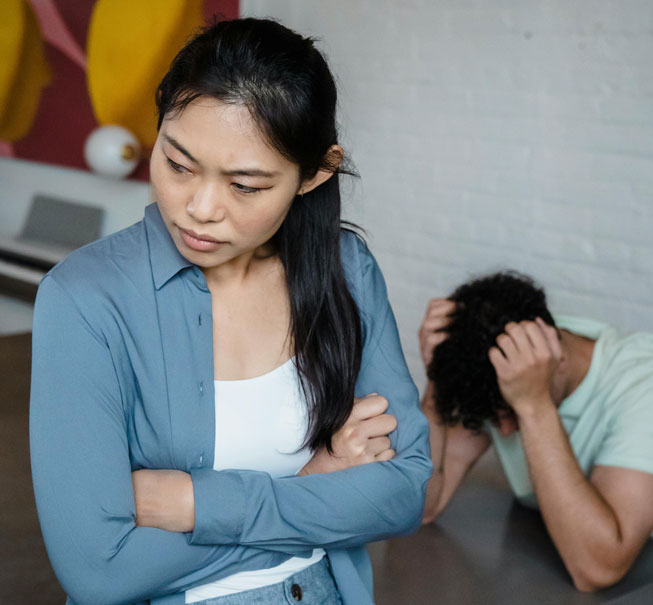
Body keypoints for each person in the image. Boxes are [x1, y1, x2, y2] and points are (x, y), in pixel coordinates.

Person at [30, 18, 431, 605]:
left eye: (245, 186)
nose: (199, 208)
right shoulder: (85, 298)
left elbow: (403, 494)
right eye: (178, 164)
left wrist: (197, 504)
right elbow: (99, 572)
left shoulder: (348, 269)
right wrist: (314, 488)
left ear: (315, 173)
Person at [419, 271, 653, 592]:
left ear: (558, 360)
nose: (507, 431)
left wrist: (533, 406)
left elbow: (597, 569)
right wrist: (436, 385)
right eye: (497, 420)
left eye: (511, 413)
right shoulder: (494, 358)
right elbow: (422, 506)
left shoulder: (652, 382)